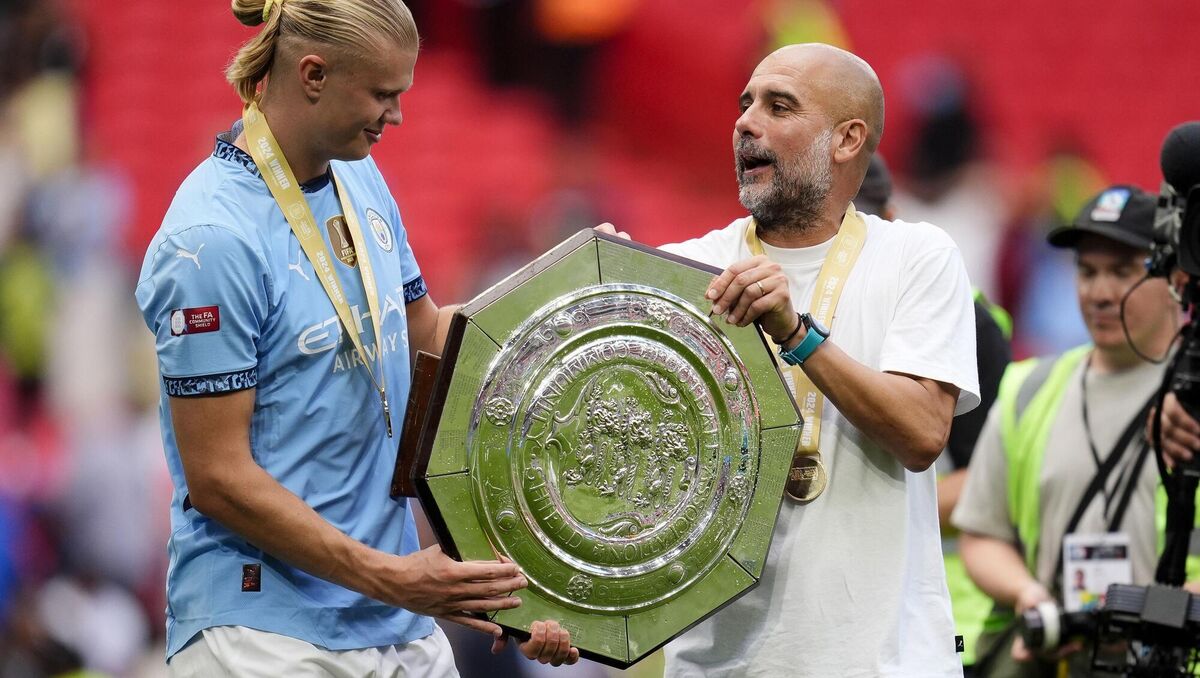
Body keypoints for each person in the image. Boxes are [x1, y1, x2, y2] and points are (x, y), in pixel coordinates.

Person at [134, 0, 577, 674]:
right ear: (313, 74)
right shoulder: (209, 243)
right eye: (381, 94)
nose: (395, 116)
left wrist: (575, 309)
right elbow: (218, 477)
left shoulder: (359, 176)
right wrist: (390, 577)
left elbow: (424, 333)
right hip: (263, 635)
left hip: (392, 617)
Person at [658, 43, 980, 677]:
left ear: (846, 139)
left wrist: (796, 333)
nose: (747, 122)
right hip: (718, 664)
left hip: (881, 661)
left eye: (779, 107)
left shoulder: (918, 256)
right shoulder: (680, 269)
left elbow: (921, 435)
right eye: (745, 103)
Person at [952, 185, 1189, 676]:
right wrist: (1027, 594)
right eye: (1087, 271)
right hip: (1059, 660)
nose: (1099, 292)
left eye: (1123, 271)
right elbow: (982, 534)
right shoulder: (1028, 388)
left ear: (1176, 279)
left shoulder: (1193, 398)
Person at [856, 154, 1013, 674]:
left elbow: (988, 483)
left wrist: (850, 503)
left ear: (891, 224)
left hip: (942, 601)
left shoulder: (967, 319)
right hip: (845, 593)